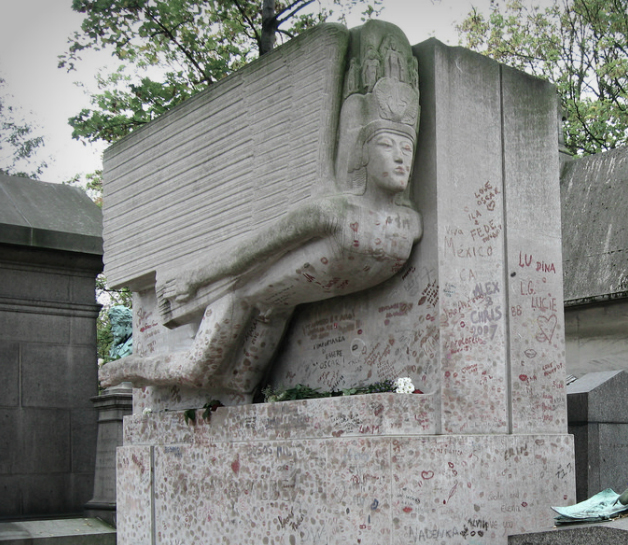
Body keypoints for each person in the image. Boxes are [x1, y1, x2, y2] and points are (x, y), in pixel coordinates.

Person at [99, 23, 421, 397]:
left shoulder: (410, 225)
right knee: (195, 370)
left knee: (238, 386)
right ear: (362, 151)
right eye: (387, 145)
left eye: (407, 148)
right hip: (238, 295)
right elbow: (255, 250)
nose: (401, 159)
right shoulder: (334, 212)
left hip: (275, 311)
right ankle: (127, 368)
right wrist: (193, 279)